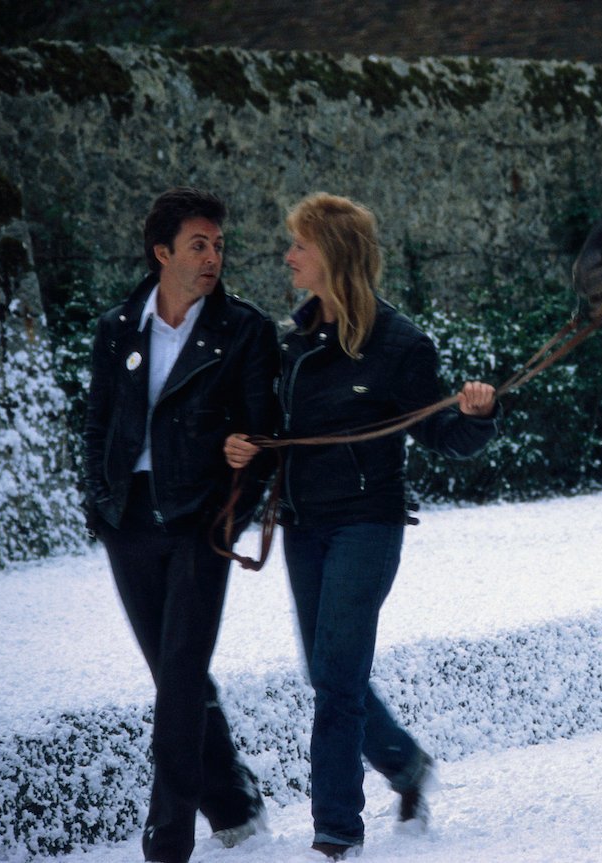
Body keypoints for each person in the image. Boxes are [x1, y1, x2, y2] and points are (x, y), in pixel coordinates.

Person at [224, 193, 499, 859]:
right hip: (302, 525)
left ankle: (336, 832)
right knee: (328, 672)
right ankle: (406, 766)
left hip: (366, 526)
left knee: (337, 678)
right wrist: (250, 447)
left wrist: (478, 412)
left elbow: (442, 433)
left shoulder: (400, 344)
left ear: (334, 255)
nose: (287, 256)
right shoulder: (290, 340)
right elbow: (278, 429)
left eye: (299, 245)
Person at [83, 187, 278, 863]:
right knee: (174, 674)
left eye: (219, 245)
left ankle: (168, 840)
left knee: (183, 674)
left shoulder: (245, 331)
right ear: (162, 252)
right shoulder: (118, 328)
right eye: (199, 245)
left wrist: (230, 517)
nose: (213, 257)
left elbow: (262, 437)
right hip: (128, 521)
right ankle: (233, 802)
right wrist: (101, 508)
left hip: (202, 521)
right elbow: (97, 423)